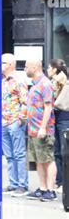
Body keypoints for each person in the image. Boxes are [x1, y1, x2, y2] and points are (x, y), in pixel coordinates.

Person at [25, 58, 57, 201]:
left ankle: (51, 190)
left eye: (26, 66)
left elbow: (48, 107)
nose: (25, 69)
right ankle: (42, 188)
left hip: (43, 129)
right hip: (32, 129)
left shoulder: (45, 84)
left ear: (35, 67)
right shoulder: (34, 85)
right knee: (39, 160)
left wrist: (43, 128)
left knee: (48, 159)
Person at [1, 53, 28, 196]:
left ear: (10, 64)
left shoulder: (19, 80)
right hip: (3, 122)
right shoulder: (1, 80)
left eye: (2, 63)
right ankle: (13, 183)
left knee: (19, 154)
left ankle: (22, 185)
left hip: (14, 122)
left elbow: (25, 101)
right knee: (9, 155)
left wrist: (20, 119)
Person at [47, 58, 69, 193]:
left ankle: (63, 183)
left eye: (49, 68)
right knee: (56, 152)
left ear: (55, 69)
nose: (48, 70)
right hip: (55, 119)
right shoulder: (54, 83)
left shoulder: (64, 82)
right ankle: (60, 181)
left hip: (64, 119)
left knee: (63, 151)